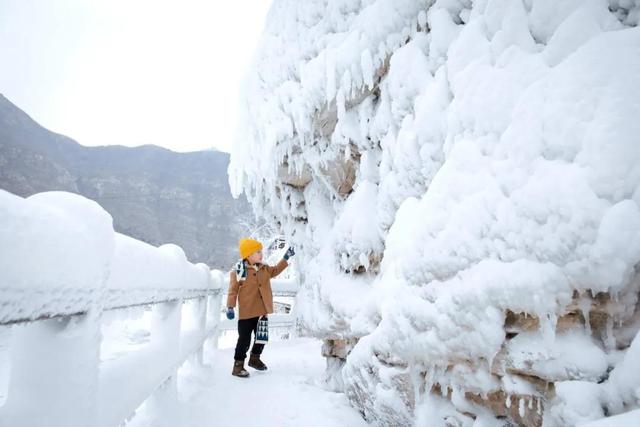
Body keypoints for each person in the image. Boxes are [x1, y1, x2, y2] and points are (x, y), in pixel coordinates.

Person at [226, 237, 295, 377]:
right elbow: (232, 290)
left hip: (262, 311)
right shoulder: (239, 270)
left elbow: (275, 270)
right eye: (257, 252)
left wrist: (285, 258)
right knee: (244, 340)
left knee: (261, 337)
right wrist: (230, 306)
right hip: (247, 312)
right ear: (248, 255)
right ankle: (238, 366)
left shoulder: (264, 268)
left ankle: (254, 359)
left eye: (261, 251)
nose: (261, 254)